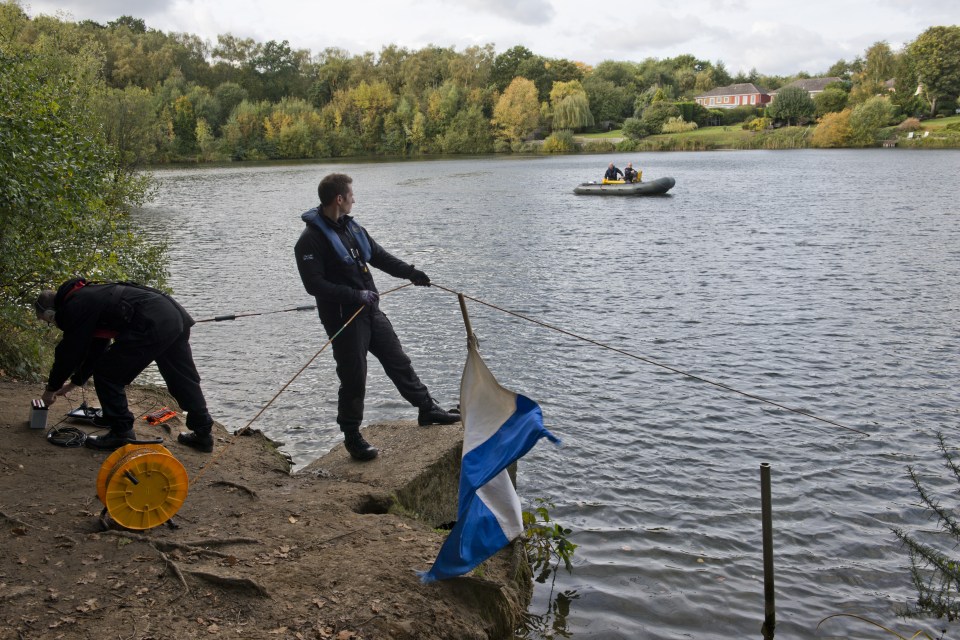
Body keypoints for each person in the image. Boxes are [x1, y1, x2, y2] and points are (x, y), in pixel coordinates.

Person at [294, 173, 460, 462]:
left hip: (371, 312)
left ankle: (426, 408)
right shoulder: (309, 241)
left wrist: (411, 272)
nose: (354, 198)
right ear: (339, 199)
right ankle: (352, 436)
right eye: (351, 194)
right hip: (344, 319)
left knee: (398, 361)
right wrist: (355, 295)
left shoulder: (352, 227)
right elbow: (314, 286)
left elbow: (380, 257)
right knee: (354, 377)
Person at [35, 278, 215, 452]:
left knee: (108, 374)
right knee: (182, 377)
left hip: (153, 321)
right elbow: (95, 348)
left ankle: (121, 433)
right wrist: (75, 383)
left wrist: (50, 389)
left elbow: (68, 353)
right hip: (173, 316)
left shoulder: (74, 306)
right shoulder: (87, 295)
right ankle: (203, 433)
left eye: (48, 320)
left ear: (51, 312)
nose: (53, 323)